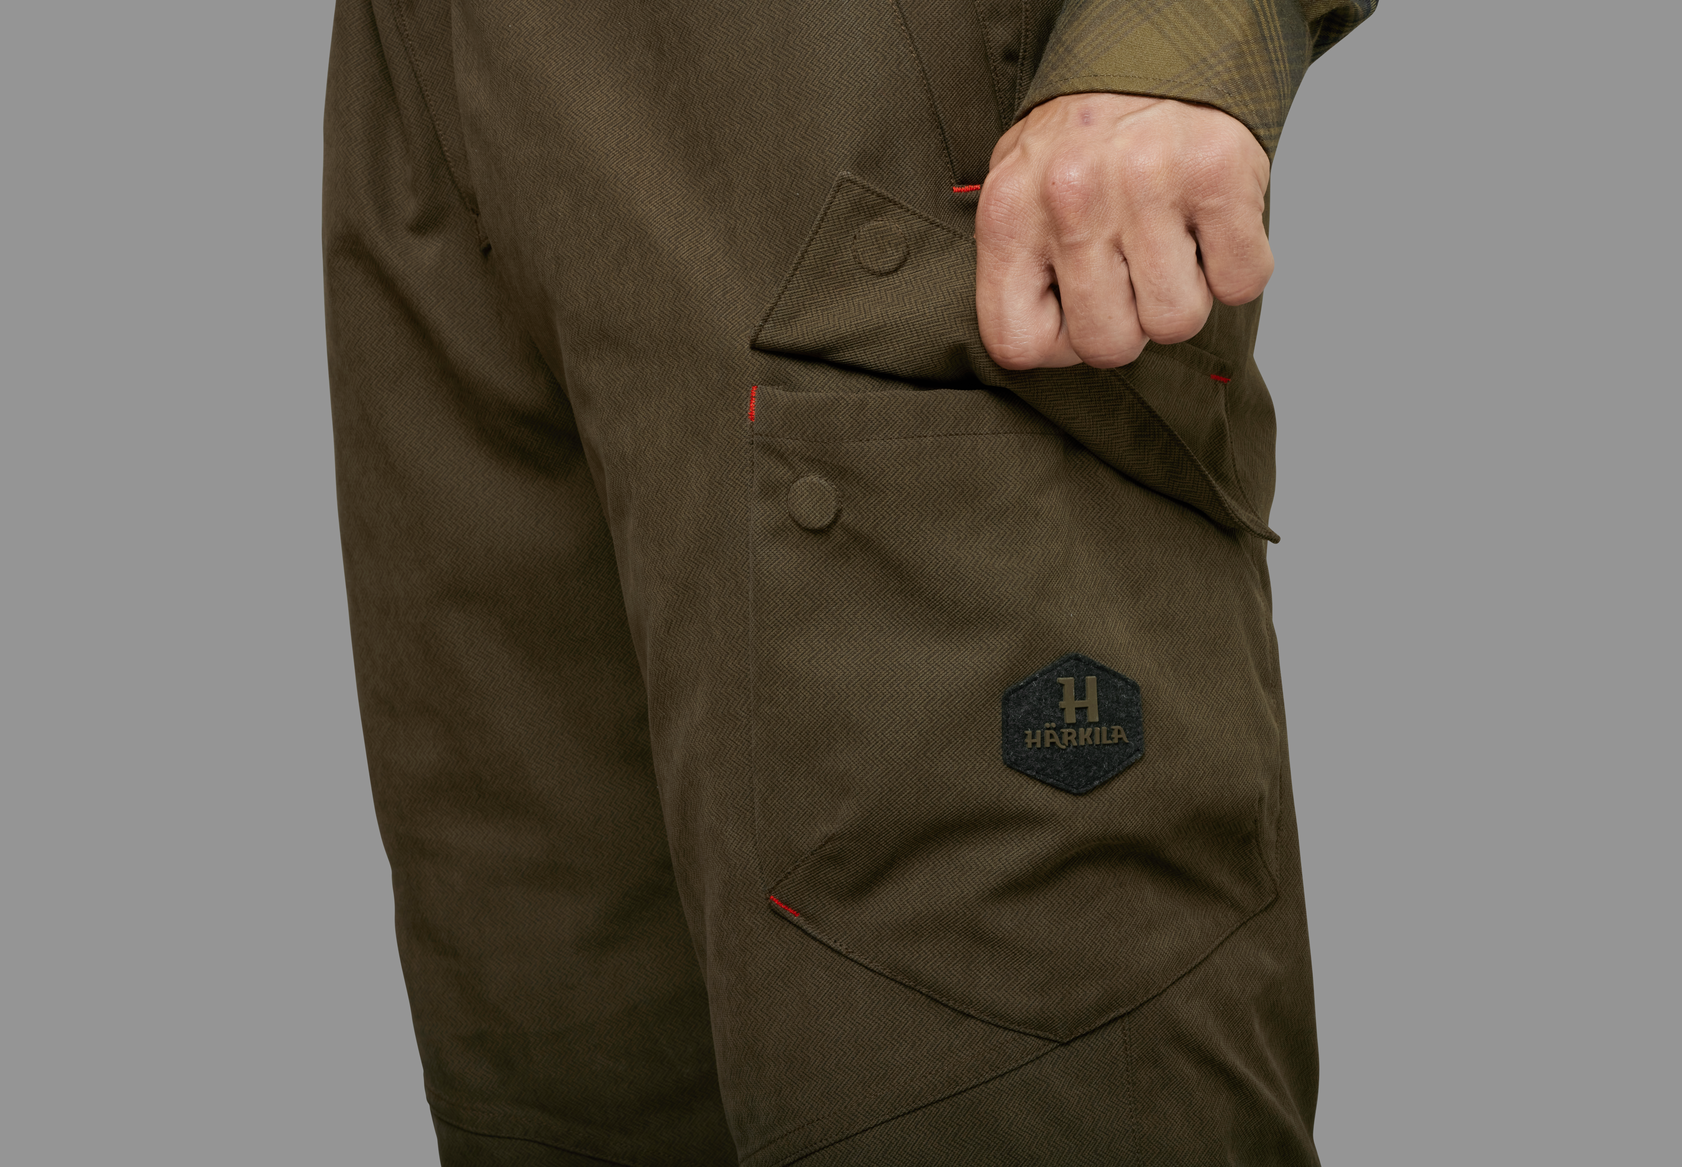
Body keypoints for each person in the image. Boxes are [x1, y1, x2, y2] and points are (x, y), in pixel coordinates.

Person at [321, 1, 1375, 1162]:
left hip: (875, 128)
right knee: (564, 1086)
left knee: (1010, 1085)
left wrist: (1177, 31)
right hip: (441, 94)